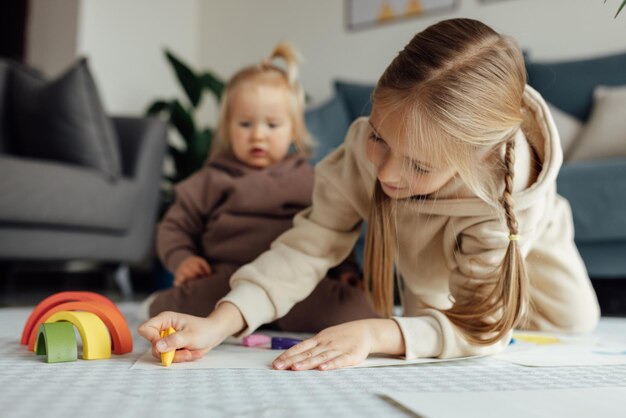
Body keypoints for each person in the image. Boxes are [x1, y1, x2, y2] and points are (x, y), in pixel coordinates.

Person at [139, 19, 600, 369]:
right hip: (431, 244)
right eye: (379, 136)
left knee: (573, 321)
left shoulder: (499, 198)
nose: (387, 174)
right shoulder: (369, 156)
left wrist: (374, 336)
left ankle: (535, 236)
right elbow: (306, 247)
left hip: (521, 231)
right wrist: (221, 322)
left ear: (475, 158)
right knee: (428, 317)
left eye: (418, 165)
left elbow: (483, 330)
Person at [147, 42, 376, 332]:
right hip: (226, 280)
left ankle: (274, 316)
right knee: (164, 310)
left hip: (294, 283)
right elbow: (174, 227)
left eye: (272, 125)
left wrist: (345, 271)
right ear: (227, 127)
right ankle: (231, 316)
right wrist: (184, 259)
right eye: (245, 124)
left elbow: (333, 230)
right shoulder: (212, 178)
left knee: (365, 312)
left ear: (293, 130)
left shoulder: (313, 179)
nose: (258, 135)